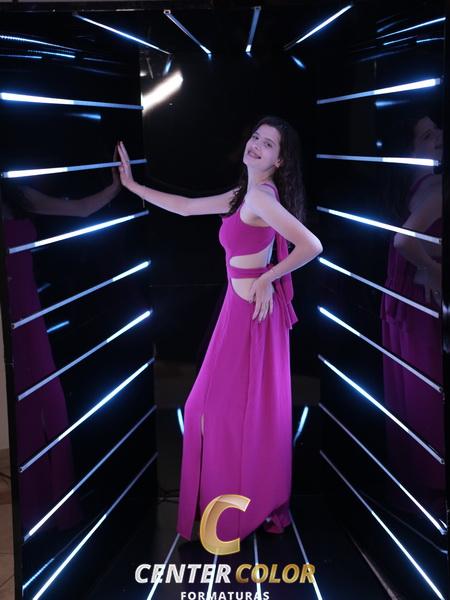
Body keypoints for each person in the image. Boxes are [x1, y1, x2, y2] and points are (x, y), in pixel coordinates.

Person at [117, 115, 322, 543]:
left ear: (280, 161)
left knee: (217, 413)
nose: (256, 145)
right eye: (255, 137)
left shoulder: (261, 198)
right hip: (238, 311)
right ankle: (241, 505)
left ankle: (237, 513)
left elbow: (311, 245)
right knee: (229, 414)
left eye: (268, 144)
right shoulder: (244, 195)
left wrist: (268, 277)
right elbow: (186, 207)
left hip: (251, 319)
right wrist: (133, 186)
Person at [380, 114, 444, 518]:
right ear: (410, 149)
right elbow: (403, 241)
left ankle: (422, 488)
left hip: (411, 302)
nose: (438, 138)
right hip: (425, 303)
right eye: (427, 135)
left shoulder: (416, 186)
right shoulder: (435, 186)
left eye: (438, 131)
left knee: (419, 394)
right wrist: (436, 270)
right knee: (430, 396)